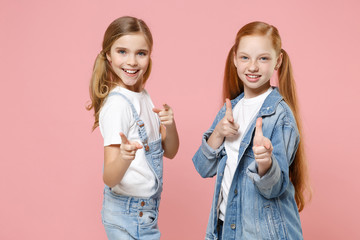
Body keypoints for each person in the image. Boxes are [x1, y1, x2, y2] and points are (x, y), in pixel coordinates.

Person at [192, 21, 311, 240]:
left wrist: (265, 163)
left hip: (263, 233)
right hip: (227, 228)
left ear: (278, 61)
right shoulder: (230, 109)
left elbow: (273, 189)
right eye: (245, 57)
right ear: (235, 59)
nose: (253, 67)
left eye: (263, 58)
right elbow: (202, 167)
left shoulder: (280, 117)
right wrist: (218, 133)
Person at [87, 16, 179, 240]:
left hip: (145, 211)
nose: (132, 61)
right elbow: (109, 177)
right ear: (108, 55)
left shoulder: (144, 97)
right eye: (122, 52)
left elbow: (171, 152)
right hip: (127, 213)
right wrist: (125, 158)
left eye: (141, 53)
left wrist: (170, 124)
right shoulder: (118, 105)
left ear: (149, 55)